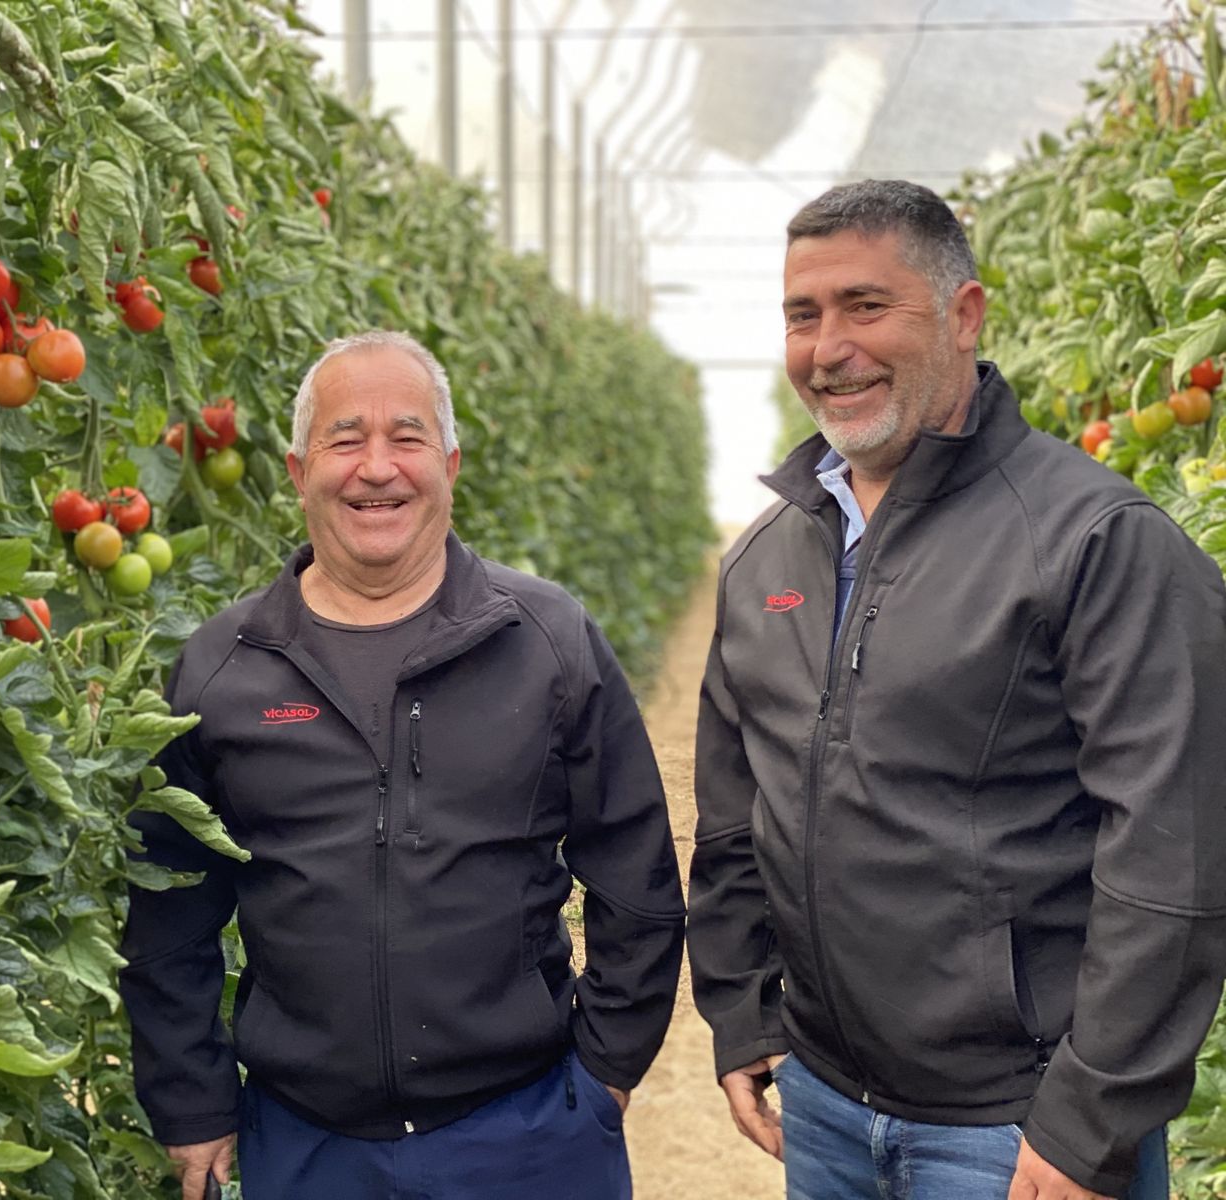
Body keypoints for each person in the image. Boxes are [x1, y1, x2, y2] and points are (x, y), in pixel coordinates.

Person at [687, 179, 1226, 1200]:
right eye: (803, 316)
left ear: (963, 315)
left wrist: (1089, 1124)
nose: (827, 347)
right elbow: (732, 819)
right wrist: (747, 1013)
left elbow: (1177, 852)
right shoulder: (766, 558)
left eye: (865, 306)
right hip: (827, 1107)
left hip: (1015, 1126)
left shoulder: (1093, 540)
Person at [120, 329, 686, 1200]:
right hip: (307, 1142)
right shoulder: (224, 666)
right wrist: (191, 1100)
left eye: (408, 437)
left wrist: (602, 1077)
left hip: (525, 1129)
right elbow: (170, 911)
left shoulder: (543, 640)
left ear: (451, 464)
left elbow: (635, 871)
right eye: (346, 439)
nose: (376, 468)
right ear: (297, 468)